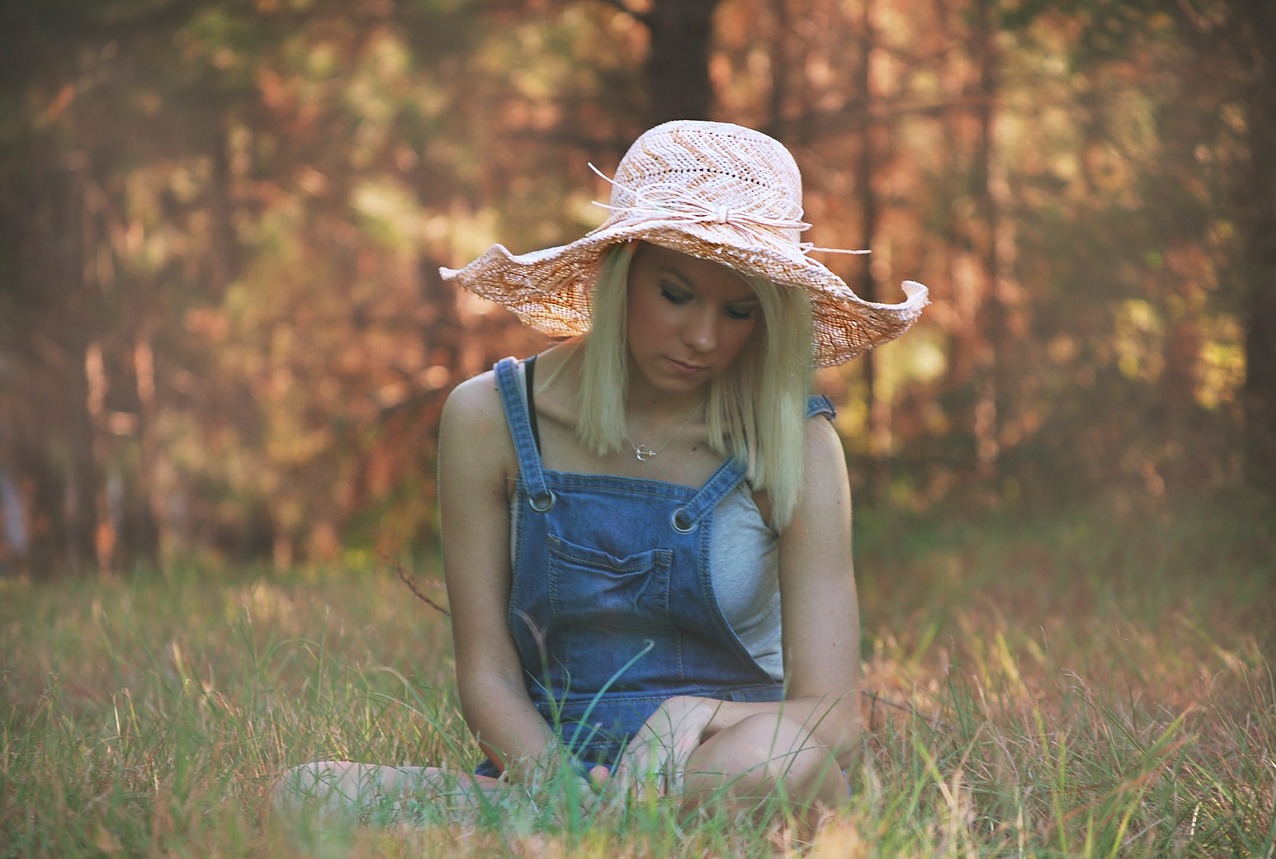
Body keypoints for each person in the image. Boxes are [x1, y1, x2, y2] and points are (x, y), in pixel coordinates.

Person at [274, 120, 927, 825]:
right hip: (544, 777)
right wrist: (561, 788)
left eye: (738, 311)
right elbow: (487, 677)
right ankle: (605, 834)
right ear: (619, 273)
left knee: (787, 767)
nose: (704, 337)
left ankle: (567, 838)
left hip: (725, 766)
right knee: (306, 794)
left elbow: (832, 717)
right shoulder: (489, 417)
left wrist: (693, 713)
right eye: (676, 295)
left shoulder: (795, 437)